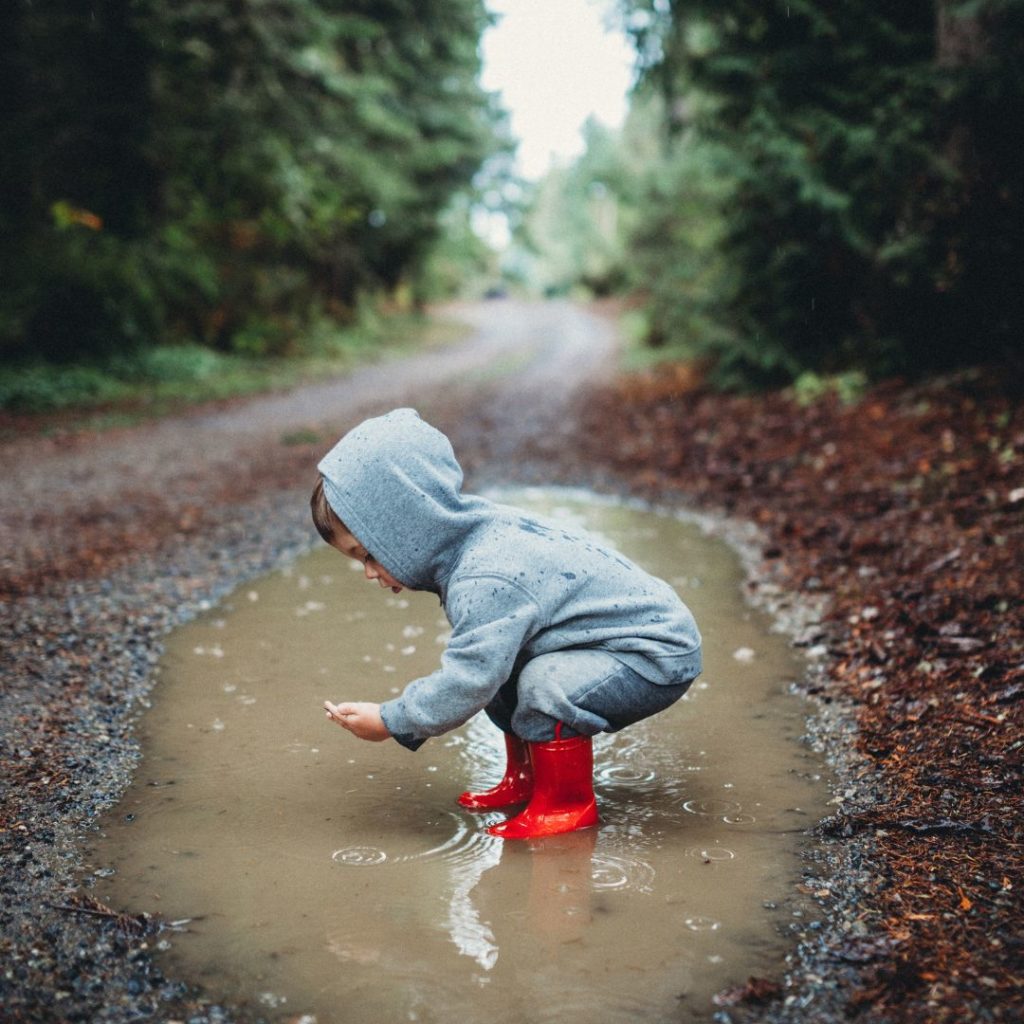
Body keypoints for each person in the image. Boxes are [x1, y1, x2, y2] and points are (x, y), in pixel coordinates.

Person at [313, 409, 702, 840]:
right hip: (609, 642)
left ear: (407, 527)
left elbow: (468, 681)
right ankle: (527, 779)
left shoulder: (484, 575)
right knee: (507, 665)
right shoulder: (467, 539)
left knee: (541, 683)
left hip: (654, 651)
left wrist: (391, 719)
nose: (369, 573)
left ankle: (566, 805)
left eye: (369, 554)